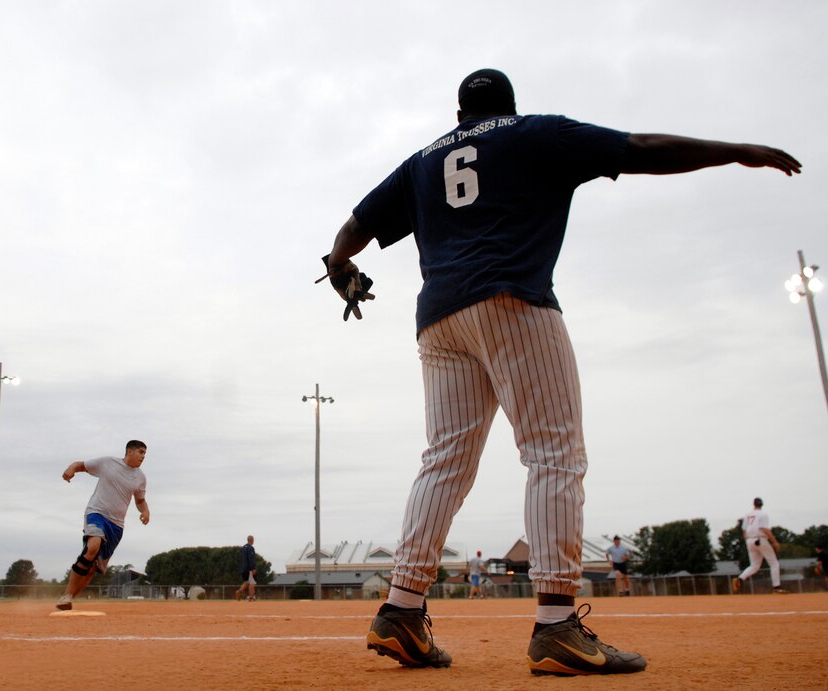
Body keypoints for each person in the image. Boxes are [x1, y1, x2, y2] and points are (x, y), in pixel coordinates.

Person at [323, 68, 801, 674]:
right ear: (509, 104)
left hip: (439, 319)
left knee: (444, 461)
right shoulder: (536, 133)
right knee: (554, 453)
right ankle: (555, 626)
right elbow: (643, 150)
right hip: (512, 299)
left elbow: (351, 231)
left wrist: (343, 271)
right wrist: (739, 152)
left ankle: (399, 610)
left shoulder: (422, 161)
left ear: (460, 112)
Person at [56, 440, 150, 610]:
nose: (143, 456)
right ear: (129, 451)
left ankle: (68, 599)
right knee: (92, 547)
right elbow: (81, 465)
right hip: (97, 513)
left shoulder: (140, 477)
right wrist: (71, 469)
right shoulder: (108, 463)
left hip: (116, 525)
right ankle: (67, 594)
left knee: (94, 567)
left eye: (145, 453)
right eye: (141, 452)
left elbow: (140, 500)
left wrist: (145, 511)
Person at [732, 497, 786, 594]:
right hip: (760, 539)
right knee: (774, 563)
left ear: (754, 504)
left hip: (750, 540)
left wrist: (748, 540)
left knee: (754, 566)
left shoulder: (747, 515)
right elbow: (764, 528)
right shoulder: (763, 514)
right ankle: (776, 587)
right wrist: (774, 542)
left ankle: (739, 579)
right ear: (762, 505)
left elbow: (744, 530)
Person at [235, 535, 258, 601]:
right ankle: (251, 597)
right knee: (252, 582)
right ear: (252, 540)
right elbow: (251, 558)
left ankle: (239, 591)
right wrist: (253, 568)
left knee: (246, 582)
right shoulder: (250, 548)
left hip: (243, 568)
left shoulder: (243, 548)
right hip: (249, 569)